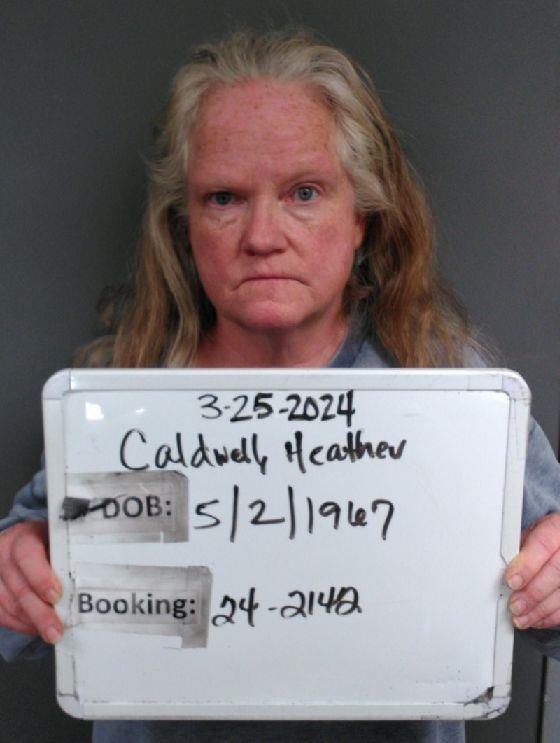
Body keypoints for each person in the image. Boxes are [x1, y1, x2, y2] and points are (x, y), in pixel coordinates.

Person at [1, 27, 559, 743]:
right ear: (184, 226)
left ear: (361, 220)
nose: (262, 236)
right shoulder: (121, 400)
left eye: (304, 192)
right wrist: (22, 565)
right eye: (224, 198)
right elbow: (31, 576)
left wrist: (551, 577)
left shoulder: (451, 388)